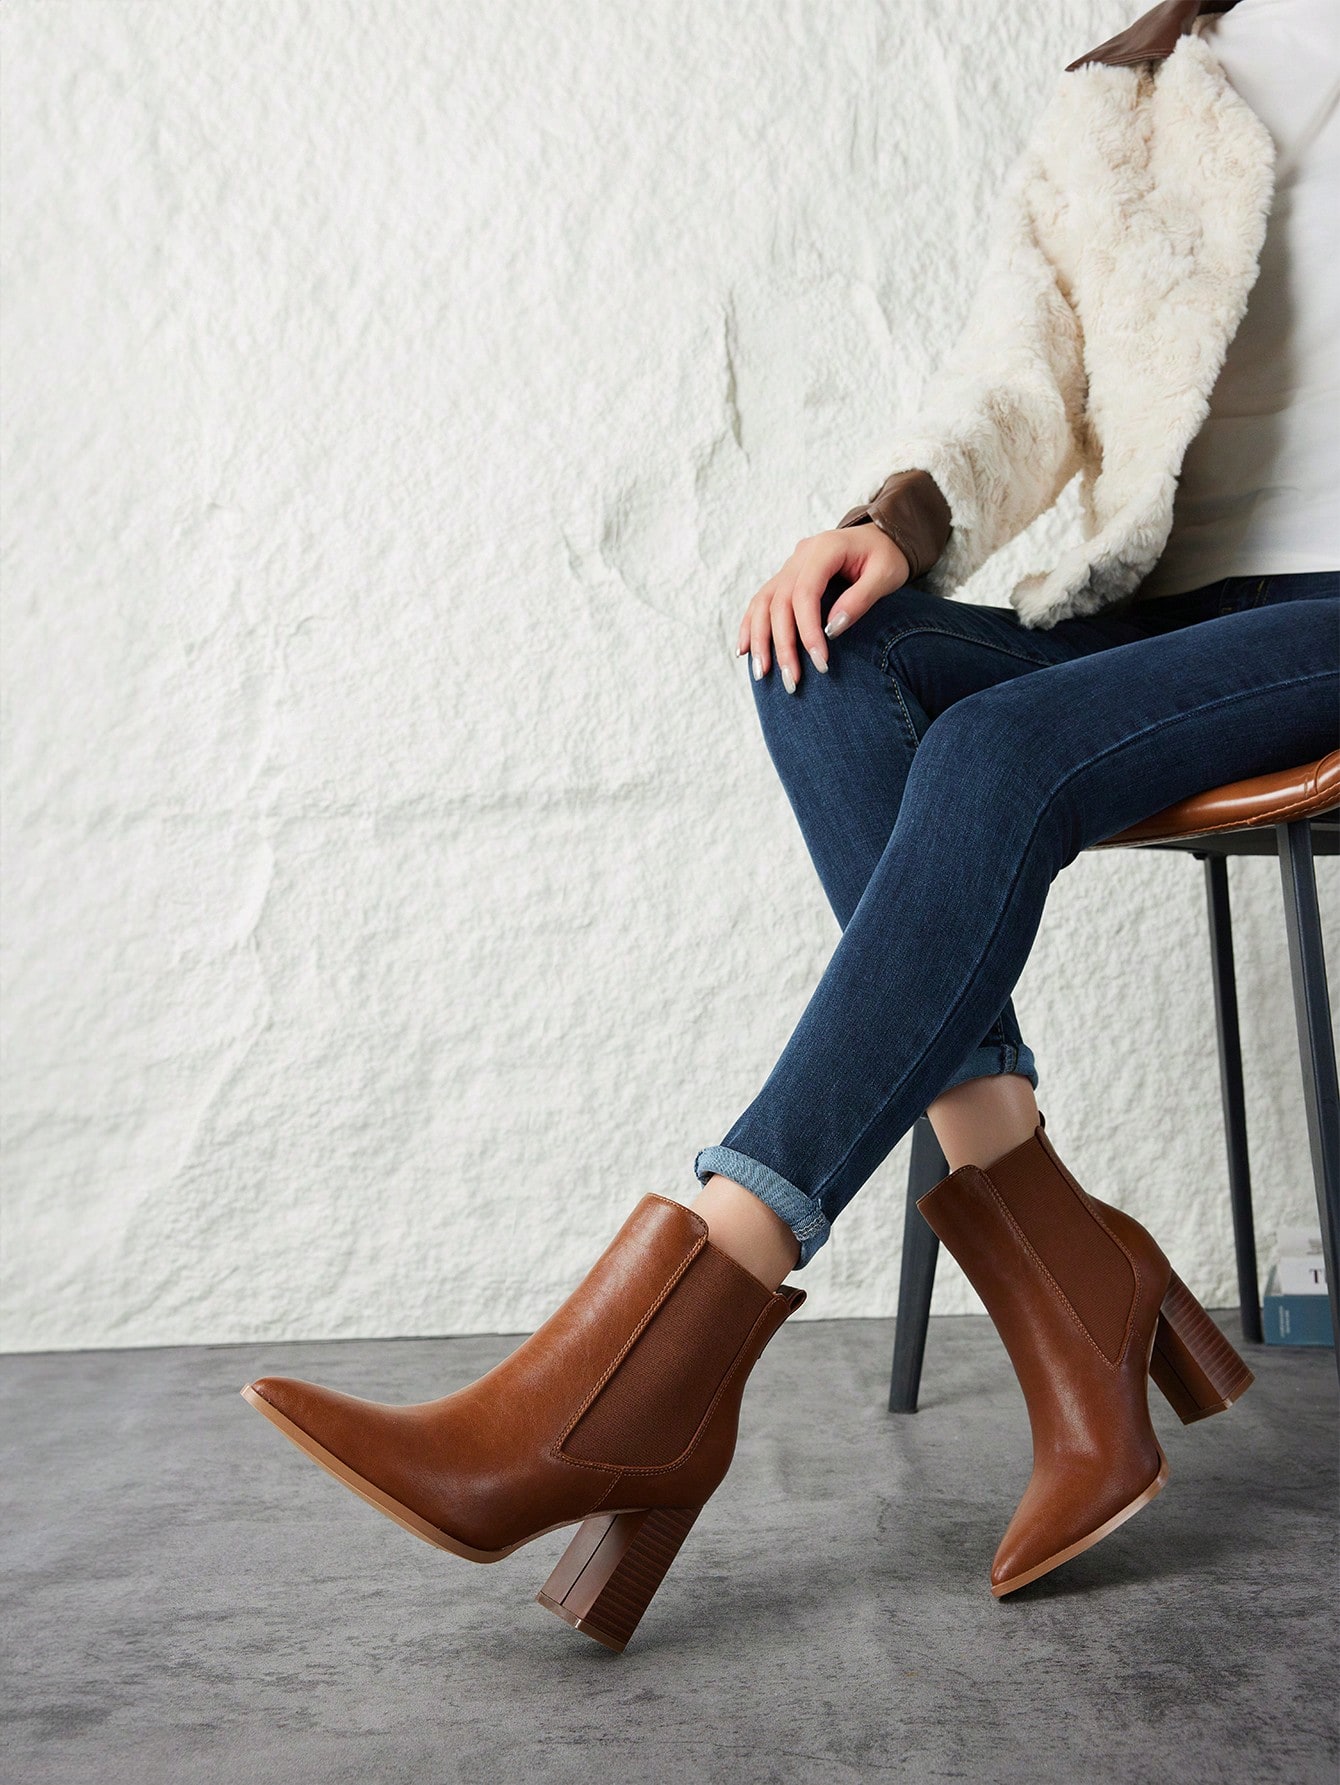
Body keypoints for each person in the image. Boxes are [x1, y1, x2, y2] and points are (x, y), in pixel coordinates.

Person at [241, 0, 1340, 1650]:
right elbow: (1019, 377)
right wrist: (893, 520)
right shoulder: (1135, 90)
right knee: (825, 666)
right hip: (1163, 607)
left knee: (1000, 747)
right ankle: (1057, 1257)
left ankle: (652, 1356)